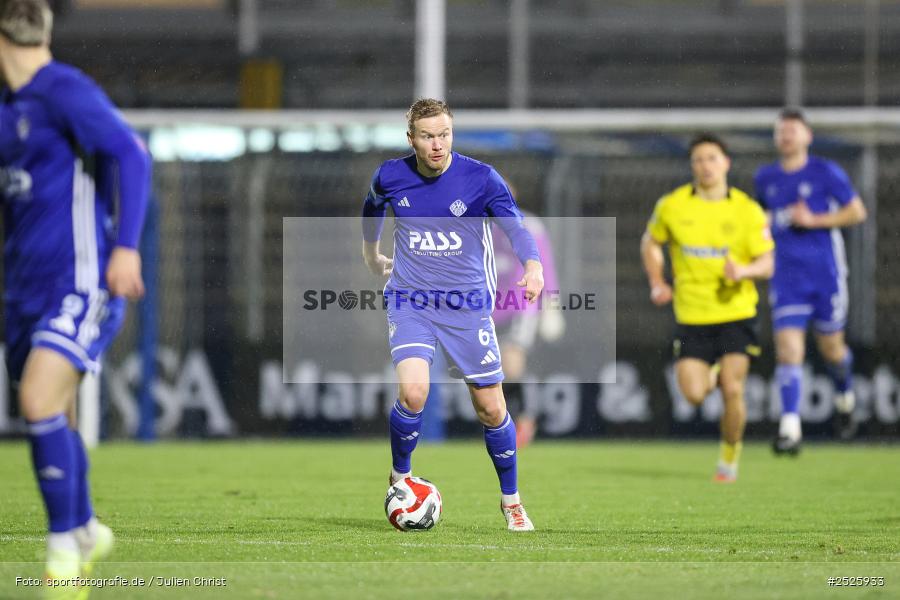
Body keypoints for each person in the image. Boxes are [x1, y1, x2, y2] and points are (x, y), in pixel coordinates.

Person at [0, 0, 151, 595]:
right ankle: (86, 527)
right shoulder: (10, 108)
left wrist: (127, 246)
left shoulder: (62, 89)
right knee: (53, 414)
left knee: (38, 400)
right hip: (22, 290)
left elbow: (131, 154)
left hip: (80, 280)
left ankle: (64, 559)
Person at [362, 98, 544, 531]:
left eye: (444, 134)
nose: (438, 143)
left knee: (490, 408)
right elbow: (372, 208)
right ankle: (401, 477)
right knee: (413, 393)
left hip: (466, 307)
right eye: (428, 136)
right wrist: (370, 254)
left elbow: (516, 227)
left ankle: (511, 501)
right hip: (410, 301)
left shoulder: (480, 178)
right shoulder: (391, 175)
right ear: (412, 139)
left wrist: (532, 265)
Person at [641, 134, 774, 483]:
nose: (705, 165)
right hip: (692, 316)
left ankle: (729, 460)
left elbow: (767, 262)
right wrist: (657, 280)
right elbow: (650, 242)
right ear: (692, 166)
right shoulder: (672, 206)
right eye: (699, 159)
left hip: (736, 313)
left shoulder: (747, 209)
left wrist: (744, 271)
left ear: (726, 163)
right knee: (694, 394)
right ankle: (715, 373)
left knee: (733, 389)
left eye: (712, 158)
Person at [754, 109, 867, 454]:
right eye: (781, 131)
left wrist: (815, 220)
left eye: (792, 130)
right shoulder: (766, 178)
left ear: (807, 136)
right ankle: (790, 429)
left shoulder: (825, 172)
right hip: (786, 277)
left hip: (826, 275)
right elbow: (759, 222)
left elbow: (857, 212)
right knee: (789, 350)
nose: (786, 136)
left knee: (832, 349)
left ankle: (844, 397)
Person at [490, 209, 564, 448]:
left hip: (521, 307)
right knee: (493, 368)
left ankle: (525, 420)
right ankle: (503, 421)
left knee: (512, 361)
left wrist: (551, 304)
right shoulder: (477, 225)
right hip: (488, 309)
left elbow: (544, 266)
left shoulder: (529, 225)